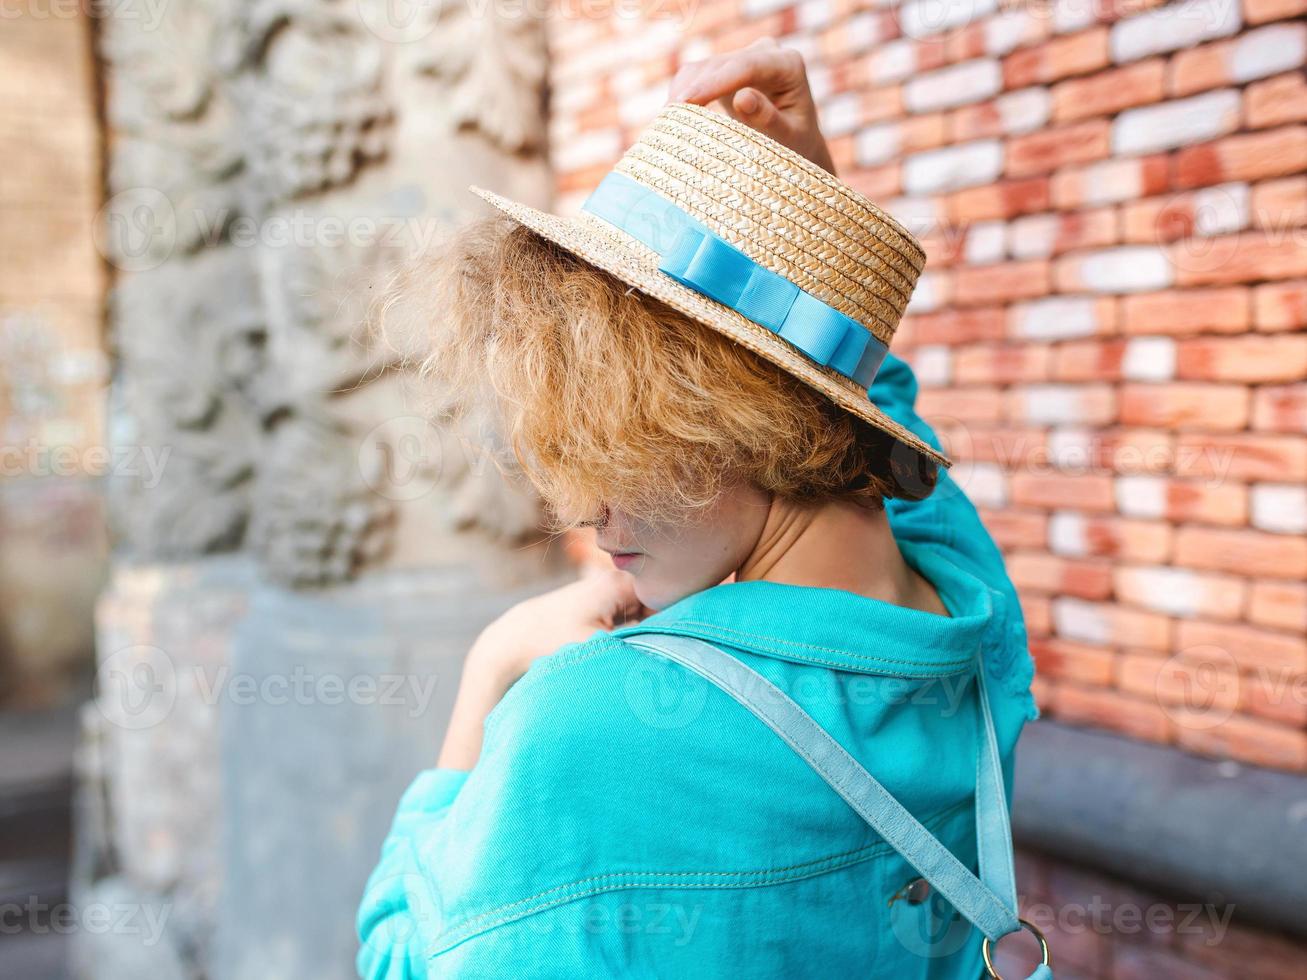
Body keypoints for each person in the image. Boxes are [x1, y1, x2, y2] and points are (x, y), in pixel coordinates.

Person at [356, 38, 1039, 979]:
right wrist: (811, 236)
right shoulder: (966, 603)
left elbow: (401, 955)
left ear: (740, 421)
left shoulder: (587, 723)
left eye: (616, 443)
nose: (587, 512)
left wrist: (493, 663)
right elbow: (870, 425)